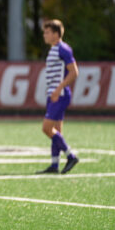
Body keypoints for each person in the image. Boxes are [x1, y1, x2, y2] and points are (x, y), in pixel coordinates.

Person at [36, 19, 80, 174]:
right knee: (56, 131)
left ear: (56, 34)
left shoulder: (63, 49)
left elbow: (74, 72)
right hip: (54, 94)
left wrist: (58, 89)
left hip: (59, 95)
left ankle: (71, 156)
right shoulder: (53, 49)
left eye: (47, 32)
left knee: (46, 128)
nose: (44, 35)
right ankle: (54, 165)